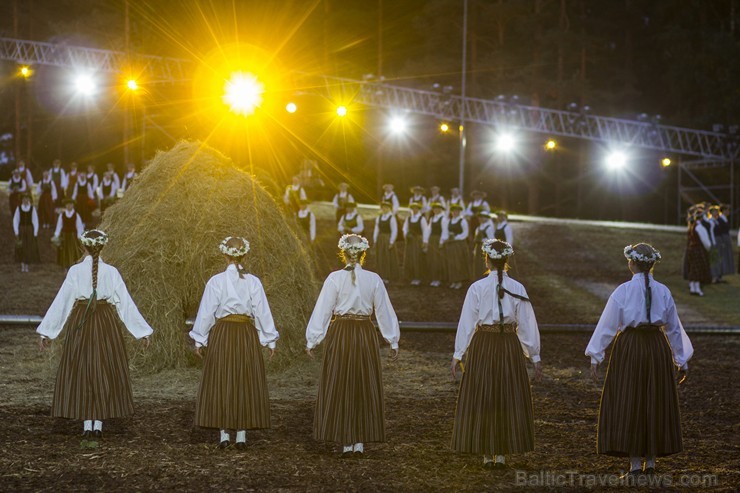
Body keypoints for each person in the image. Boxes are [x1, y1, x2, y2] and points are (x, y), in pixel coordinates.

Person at [586, 244, 692, 478]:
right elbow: (674, 327)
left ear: (631, 263)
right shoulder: (663, 291)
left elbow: (608, 324)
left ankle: (635, 465)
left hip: (630, 347)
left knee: (630, 399)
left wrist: (596, 355)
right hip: (656, 347)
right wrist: (681, 359)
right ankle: (651, 463)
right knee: (654, 399)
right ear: (652, 264)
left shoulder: (622, 291)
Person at [37, 229, 153, 441]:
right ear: (103, 246)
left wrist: (47, 331)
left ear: (83, 247)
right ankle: (97, 424)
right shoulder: (112, 272)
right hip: (105, 323)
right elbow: (125, 304)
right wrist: (142, 331)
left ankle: (87, 425)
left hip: (82, 324)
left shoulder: (75, 271)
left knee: (83, 369)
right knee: (103, 369)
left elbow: (62, 302)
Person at [306, 234, 400, 457]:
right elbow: (384, 310)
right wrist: (392, 339)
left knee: (341, 381)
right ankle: (359, 441)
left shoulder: (334, 278)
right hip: (365, 333)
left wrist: (313, 339)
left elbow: (324, 310)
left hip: (341, 333)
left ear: (343, 253)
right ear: (363, 253)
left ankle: (347, 441)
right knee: (362, 381)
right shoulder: (373, 279)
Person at [451, 239, 541, 470]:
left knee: (485, 394)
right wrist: (534, 355)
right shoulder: (518, 287)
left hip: (484, 344)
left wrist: (459, 353)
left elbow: (468, 322)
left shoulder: (477, 287)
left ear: (487, 260)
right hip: (508, 344)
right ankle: (500, 453)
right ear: (506, 261)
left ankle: (487, 453)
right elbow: (526, 323)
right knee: (505, 394)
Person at [190, 236, 279, 450]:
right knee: (244, 379)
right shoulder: (253, 281)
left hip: (223, 333)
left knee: (223, 378)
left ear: (224, 255)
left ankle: (224, 435)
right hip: (246, 334)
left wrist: (199, 338)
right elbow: (261, 311)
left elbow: (207, 312)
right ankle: (241, 436)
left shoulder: (216, 281)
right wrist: (269, 339)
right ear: (244, 255)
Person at [684, 210, 711, 296]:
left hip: (691, 249)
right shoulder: (700, 227)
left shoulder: (691, 226)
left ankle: (693, 288)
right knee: (698, 269)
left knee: (693, 268)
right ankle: (697, 289)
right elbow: (705, 241)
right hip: (698, 249)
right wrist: (708, 248)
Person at [53, 199, 84, 270]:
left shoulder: (76, 215)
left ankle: (72, 266)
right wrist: (56, 235)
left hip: (73, 236)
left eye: (70, 204)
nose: (69, 206)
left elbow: (79, 226)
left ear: (73, 205)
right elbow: (59, 225)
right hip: (64, 236)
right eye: (67, 204)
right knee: (64, 251)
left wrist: (79, 236)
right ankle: (65, 267)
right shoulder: (62, 215)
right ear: (65, 206)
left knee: (73, 250)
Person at [402, 202, 429, 285]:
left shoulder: (422, 219)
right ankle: (411, 276)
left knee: (417, 258)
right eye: (413, 208)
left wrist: (425, 241)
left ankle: (418, 277)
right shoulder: (409, 218)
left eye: (416, 208)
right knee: (410, 258)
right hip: (410, 241)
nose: (414, 210)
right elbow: (404, 228)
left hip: (418, 241)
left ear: (418, 209)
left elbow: (425, 230)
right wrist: (406, 234)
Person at [13, 193, 40, 273]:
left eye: (27, 198)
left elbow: (35, 220)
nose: (25, 200)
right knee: (21, 246)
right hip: (21, 230)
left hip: (29, 230)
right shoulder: (19, 208)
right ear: (22, 200)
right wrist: (16, 232)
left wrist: (35, 232)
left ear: (29, 200)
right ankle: (22, 264)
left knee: (28, 247)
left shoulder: (32, 208)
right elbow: (16, 220)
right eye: (24, 198)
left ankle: (27, 265)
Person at [372, 201, 398, 284]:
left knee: (387, 257)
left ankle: (387, 276)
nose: (384, 209)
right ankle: (380, 275)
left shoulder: (392, 218)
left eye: (386, 207)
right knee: (380, 257)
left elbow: (394, 230)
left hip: (387, 238)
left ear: (389, 208)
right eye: (383, 207)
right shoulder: (379, 217)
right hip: (380, 239)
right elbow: (376, 229)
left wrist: (391, 241)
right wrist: (375, 240)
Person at [446, 204, 470, 289]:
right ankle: (453, 280)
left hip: (459, 244)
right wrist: (448, 236)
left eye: (456, 211)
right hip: (451, 244)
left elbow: (465, 233)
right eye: (453, 211)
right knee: (451, 262)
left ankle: (459, 281)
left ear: (459, 212)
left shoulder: (462, 221)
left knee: (458, 261)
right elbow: (446, 232)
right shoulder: (449, 221)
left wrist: (456, 237)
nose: (455, 213)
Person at [427, 202, 449, 287]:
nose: (436, 210)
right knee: (432, 259)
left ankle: (438, 279)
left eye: (438, 208)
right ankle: (433, 278)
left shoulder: (443, 219)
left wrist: (441, 241)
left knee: (438, 260)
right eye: (434, 209)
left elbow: (444, 231)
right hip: (432, 240)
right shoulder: (432, 219)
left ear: (441, 210)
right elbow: (429, 230)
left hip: (438, 240)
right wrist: (426, 240)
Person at [471, 212, 495, 278]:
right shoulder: (478, 228)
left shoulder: (489, 227)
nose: (481, 219)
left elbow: (492, 240)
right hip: (478, 248)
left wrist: (483, 240)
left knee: (484, 265)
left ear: (487, 218)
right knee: (477, 265)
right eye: (480, 217)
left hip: (486, 248)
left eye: (483, 217)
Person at [717, 205, 735, 276]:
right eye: (727, 210)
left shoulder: (725, 219)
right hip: (723, 237)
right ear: (723, 211)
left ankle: (726, 271)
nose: (728, 212)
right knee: (723, 255)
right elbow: (720, 230)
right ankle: (721, 271)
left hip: (726, 237)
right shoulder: (720, 219)